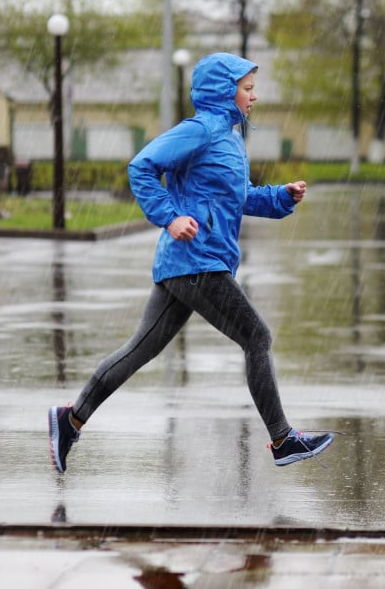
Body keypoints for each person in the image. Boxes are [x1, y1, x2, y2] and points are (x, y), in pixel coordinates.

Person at [48, 52, 334, 473]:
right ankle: (282, 438)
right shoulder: (200, 130)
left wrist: (279, 197)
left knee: (139, 350)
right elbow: (141, 167)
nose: (254, 97)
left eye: (254, 88)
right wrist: (169, 216)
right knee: (257, 337)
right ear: (225, 90)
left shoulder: (229, 138)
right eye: (248, 88)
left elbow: (237, 198)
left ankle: (69, 420)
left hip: (189, 264)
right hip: (196, 260)